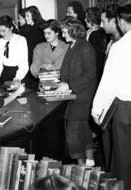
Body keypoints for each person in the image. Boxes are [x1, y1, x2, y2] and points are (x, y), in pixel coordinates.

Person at [91, 4, 131, 190]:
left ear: (121, 22)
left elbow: (108, 83)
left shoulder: (120, 47)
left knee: (122, 160)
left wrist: (96, 110)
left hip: (125, 110)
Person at [56, 18, 97, 165]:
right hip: (76, 93)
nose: (62, 34)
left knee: (73, 133)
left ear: (74, 31)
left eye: (65, 31)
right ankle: (90, 161)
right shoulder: (73, 45)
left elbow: (90, 74)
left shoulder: (85, 47)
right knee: (82, 129)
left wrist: (69, 85)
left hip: (83, 95)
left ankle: (81, 166)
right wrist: (63, 81)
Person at [0, 15, 28, 87]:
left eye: (3, 31)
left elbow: (23, 64)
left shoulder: (20, 40)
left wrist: (18, 78)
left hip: (18, 73)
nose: (1, 33)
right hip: (4, 73)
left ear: (11, 28)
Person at [23, 6, 46, 90]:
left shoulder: (35, 29)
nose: (25, 18)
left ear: (34, 16)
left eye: (27, 16)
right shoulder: (37, 27)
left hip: (36, 62)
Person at [85, 7, 107, 81]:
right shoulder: (92, 31)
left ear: (91, 19)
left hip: (94, 71)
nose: (85, 19)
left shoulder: (94, 34)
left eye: (86, 17)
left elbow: (97, 56)